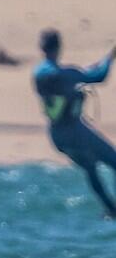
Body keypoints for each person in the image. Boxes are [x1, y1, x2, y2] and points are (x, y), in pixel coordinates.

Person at [34, 29, 116, 220]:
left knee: (90, 167)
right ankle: (112, 209)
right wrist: (110, 57)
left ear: (41, 48)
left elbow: (59, 78)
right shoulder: (68, 74)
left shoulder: (38, 74)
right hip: (76, 132)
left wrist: (78, 75)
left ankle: (112, 210)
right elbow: (99, 76)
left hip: (57, 137)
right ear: (59, 47)